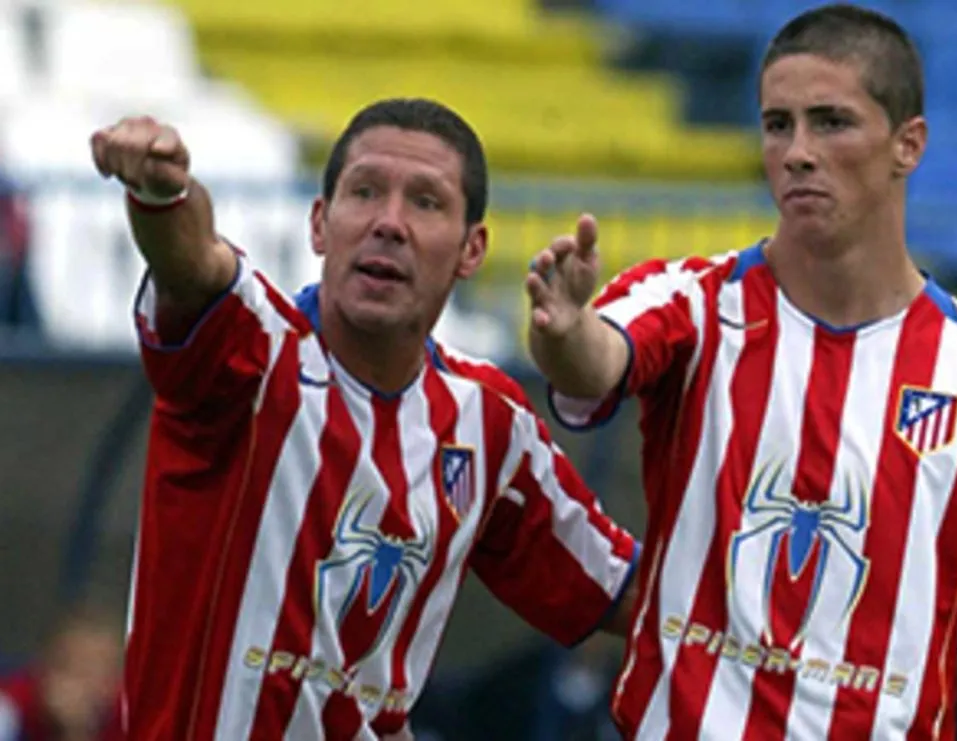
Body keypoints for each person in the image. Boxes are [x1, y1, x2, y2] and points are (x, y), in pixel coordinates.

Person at [525, 4, 957, 739]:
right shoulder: (691, 301)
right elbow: (599, 360)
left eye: (830, 122)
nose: (796, 150)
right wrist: (564, 332)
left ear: (908, 144)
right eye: (776, 124)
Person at [89, 99, 639, 739]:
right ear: (320, 224)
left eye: (426, 202)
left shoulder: (489, 424)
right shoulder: (251, 355)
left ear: (472, 250)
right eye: (365, 192)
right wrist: (162, 197)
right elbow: (193, 265)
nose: (389, 223)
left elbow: (629, 593)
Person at [0, 603, 124, 741]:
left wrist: (76, 730)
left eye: (96, 672)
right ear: (42, 667)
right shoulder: (13, 705)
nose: (80, 688)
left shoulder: (133, 715)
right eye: (71, 669)